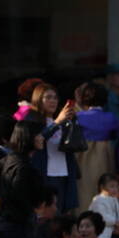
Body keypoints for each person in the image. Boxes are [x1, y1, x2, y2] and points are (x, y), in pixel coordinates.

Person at [19, 82, 79, 212]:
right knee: (45, 213)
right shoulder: (32, 119)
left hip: (64, 172)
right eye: (48, 97)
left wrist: (71, 121)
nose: (53, 101)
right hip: (44, 173)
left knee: (62, 214)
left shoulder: (62, 120)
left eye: (55, 97)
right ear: (38, 99)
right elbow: (37, 140)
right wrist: (57, 122)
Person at [74, 81, 119, 211]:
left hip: (83, 157)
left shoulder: (77, 117)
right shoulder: (111, 117)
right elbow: (116, 136)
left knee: (83, 191)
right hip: (105, 157)